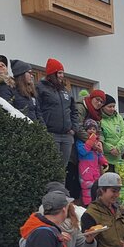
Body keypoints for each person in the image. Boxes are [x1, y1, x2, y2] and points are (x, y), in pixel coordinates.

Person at [38, 58, 79, 193]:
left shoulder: (65, 91)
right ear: (51, 73)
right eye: (59, 73)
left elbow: (74, 110)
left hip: (66, 135)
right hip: (51, 133)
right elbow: (37, 109)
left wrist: (74, 128)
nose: (62, 76)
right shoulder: (40, 88)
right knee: (51, 166)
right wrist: (43, 128)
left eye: (62, 73)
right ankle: (49, 194)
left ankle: (60, 195)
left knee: (63, 168)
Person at [76, 118, 109, 205]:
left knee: (96, 188)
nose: (91, 131)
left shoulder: (96, 142)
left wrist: (104, 162)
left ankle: (96, 204)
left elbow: (99, 154)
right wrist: (90, 141)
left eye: (94, 129)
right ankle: (87, 205)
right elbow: (82, 151)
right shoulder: (81, 142)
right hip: (85, 169)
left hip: (95, 169)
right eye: (89, 129)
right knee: (86, 187)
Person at [99, 94, 124, 165]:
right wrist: (110, 149)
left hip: (118, 158)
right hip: (104, 159)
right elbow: (99, 137)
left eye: (114, 106)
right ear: (103, 107)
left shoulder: (118, 117)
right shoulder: (99, 119)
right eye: (109, 106)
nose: (112, 109)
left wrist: (118, 148)